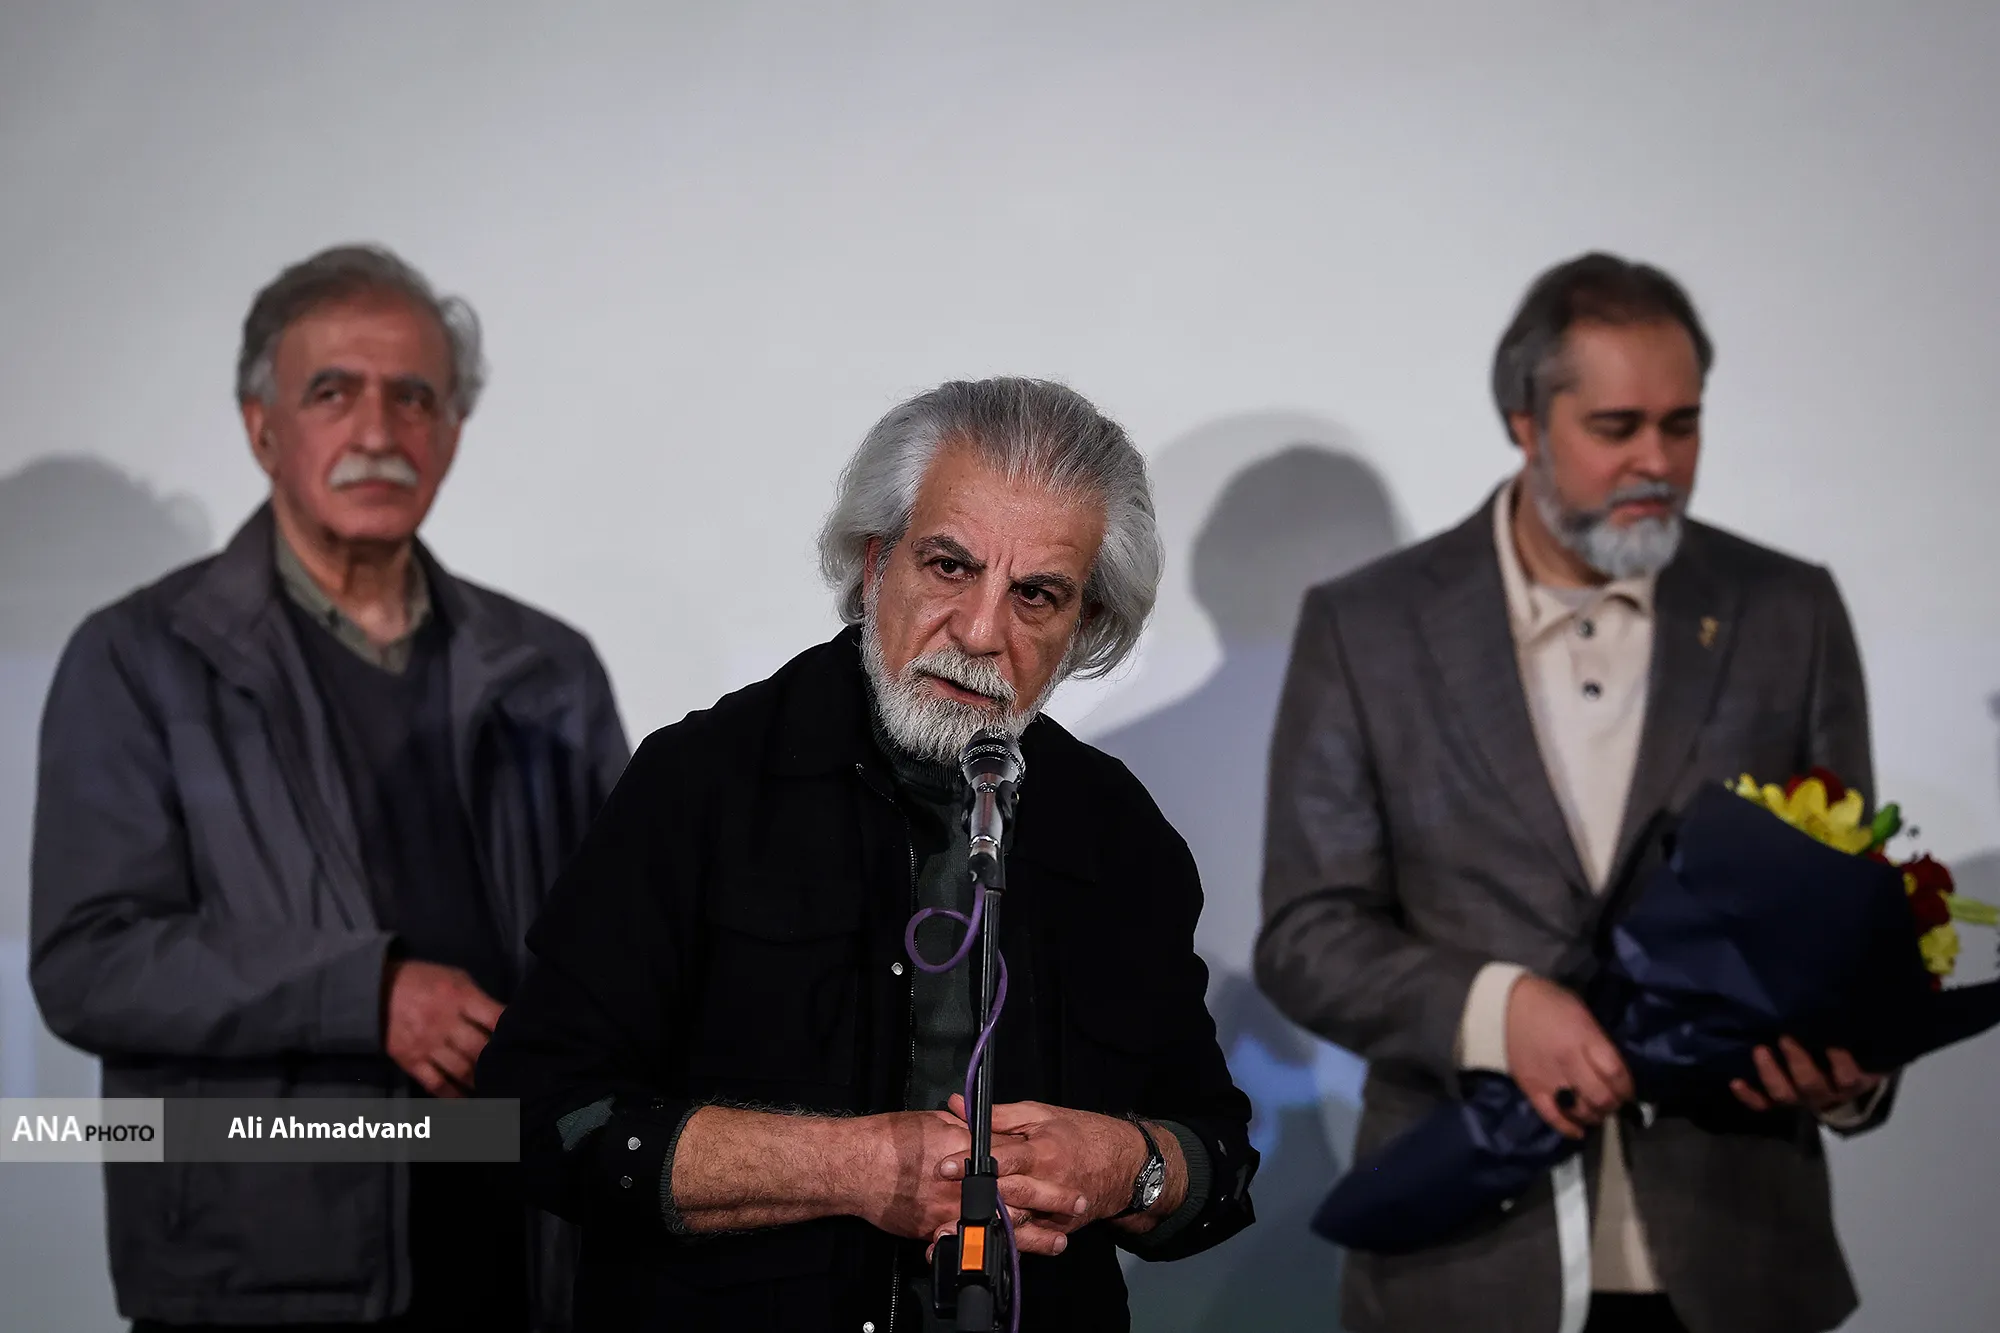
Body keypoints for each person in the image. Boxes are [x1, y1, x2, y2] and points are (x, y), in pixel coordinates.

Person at [478, 377, 1258, 1331]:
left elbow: (1220, 1163)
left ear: (1083, 626)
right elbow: (531, 1116)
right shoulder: (700, 782)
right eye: (949, 566)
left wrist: (1124, 1166)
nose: (981, 632)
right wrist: (854, 1167)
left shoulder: (1118, 831)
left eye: (1036, 595)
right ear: (876, 559)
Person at [1256, 253, 1889, 1333]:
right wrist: (1494, 1012)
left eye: (1682, 424)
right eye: (1616, 427)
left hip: (1740, 1261)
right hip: (1461, 1269)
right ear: (1523, 421)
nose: (1658, 462)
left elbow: (1850, 919)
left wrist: (1849, 1070)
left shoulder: (1789, 611)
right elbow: (1306, 935)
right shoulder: (1365, 627)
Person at [30, 244, 629, 1331]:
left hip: (521, 1260)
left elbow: (625, 956)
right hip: (261, 1282)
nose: (378, 432)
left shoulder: (551, 669)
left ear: (452, 432)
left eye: (414, 397)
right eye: (332, 392)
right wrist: (367, 992)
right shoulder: (136, 659)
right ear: (262, 427)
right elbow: (90, 961)